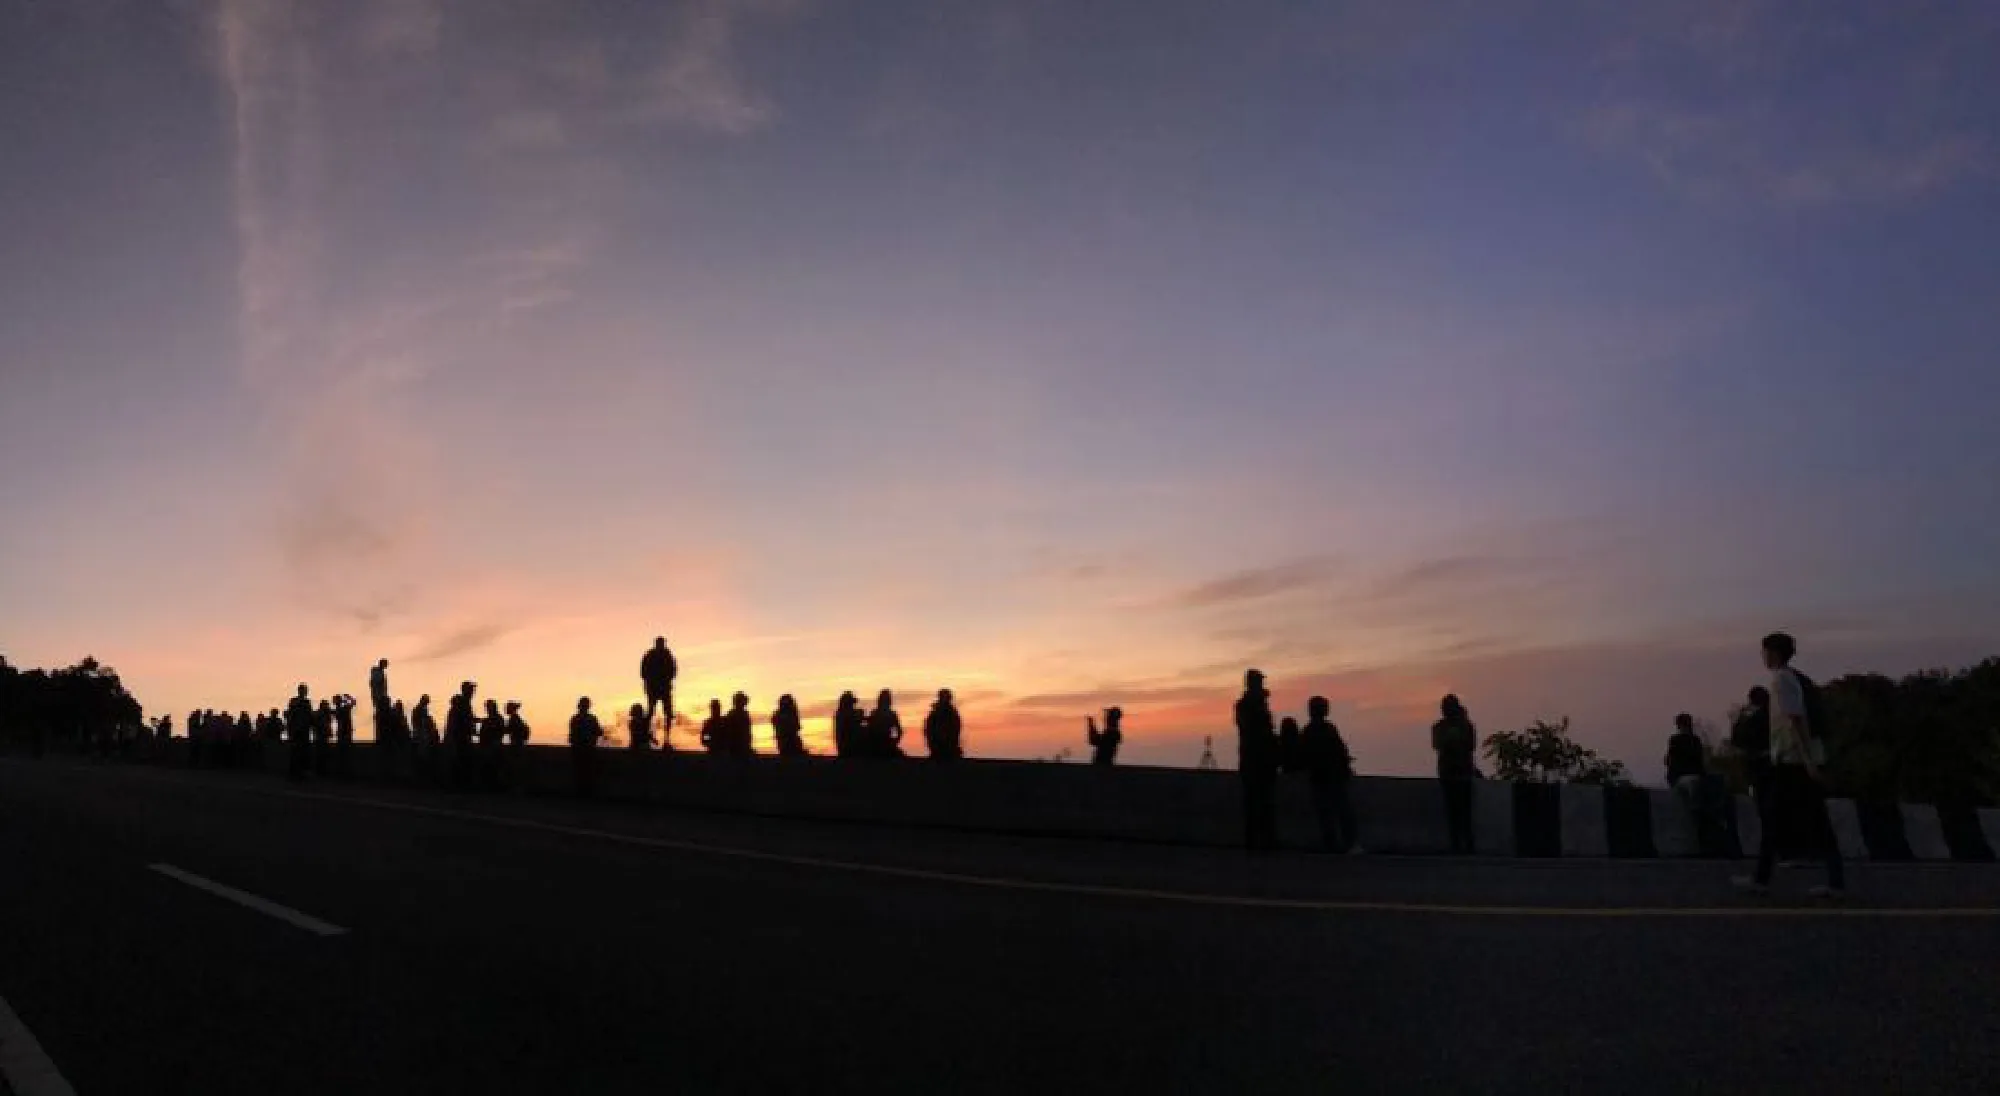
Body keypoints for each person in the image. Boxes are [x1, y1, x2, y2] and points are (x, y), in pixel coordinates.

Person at [1736, 633, 1844, 898]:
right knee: (1813, 821)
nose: (1762, 656)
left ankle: (1762, 880)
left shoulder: (1781, 680)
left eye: (1764, 651)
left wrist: (1808, 763)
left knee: (1777, 819)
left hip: (1792, 762)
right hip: (1796, 760)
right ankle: (1834, 882)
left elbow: (1796, 721)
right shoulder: (1796, 678)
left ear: (1773, 652)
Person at [1300, 696, 1359, 854]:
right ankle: (1346, 843)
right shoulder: (1326, 729)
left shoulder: (1309, 731)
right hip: (1331, 777)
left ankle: (1331, 844)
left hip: (1321, 777)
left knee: (1327, 814)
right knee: (1341, 811)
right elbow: (1338, 752)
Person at [1235, 670, 1279, 851]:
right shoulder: (1247, 705)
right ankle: (1258, 842)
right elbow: (1254, 731)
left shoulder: (1250, 704)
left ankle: (1261, 841)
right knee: (1257, 803)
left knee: (1260, 803)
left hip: (1258, 761)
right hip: (1256, 761)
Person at [1432, 695, 1479, 854]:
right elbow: (1438, 745)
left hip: (1460, 773)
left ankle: (1464, 844)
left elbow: (1470, 745)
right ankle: (1458, 844)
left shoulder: (1462, 726)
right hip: (1450, 773)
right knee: (1456, 811)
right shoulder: (1442, 727)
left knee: (1462, 811)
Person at [568, 697, 603, 796]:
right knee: (588, 773)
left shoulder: (575, 718)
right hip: (588, 749)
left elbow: (572, 736)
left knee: (579, 773)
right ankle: (587, 793)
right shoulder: (591, 719)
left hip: (578, 749)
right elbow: (599, 732)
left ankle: (580, 793)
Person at [445, 683, 477, 788]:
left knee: (461, 762)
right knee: (461, 762)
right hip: (460, 738)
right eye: (471, 690)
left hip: (460, 737)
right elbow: (463, 721)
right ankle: (459, 785)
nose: (473, 692)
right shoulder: (463, 704)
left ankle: (457, 785)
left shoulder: (462, 704)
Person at [641, 637, 678, 726]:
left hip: (664, 687)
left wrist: (667, 680)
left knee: (668, 712)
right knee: (651, 711)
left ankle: (667, 735)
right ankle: (647, 731)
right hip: (653, 688)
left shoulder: (667, 654)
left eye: (662, 643)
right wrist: (649, 682)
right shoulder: (650, 654)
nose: (661, 645)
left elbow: (673, 670)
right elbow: (643, 672)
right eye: (660, 643)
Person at [284, 685, 314, 781]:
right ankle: (296, 772)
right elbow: (290, 715)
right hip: (297, 731)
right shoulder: (296, 702)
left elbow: (309, 716)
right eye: (303, 690)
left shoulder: (306, 702)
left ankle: (300, 772)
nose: (304, 692)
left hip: (303, 731)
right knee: (296, 752)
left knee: (302, 753)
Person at [923, 689, 963, 761]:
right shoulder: (934, 713)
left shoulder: (952, 713)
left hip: (948, 749)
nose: (945, 699)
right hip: (937, 748)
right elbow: (928, 730)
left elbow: (955, 731)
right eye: (943, 697)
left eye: (947, 697)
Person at [478, 699, 507, 788]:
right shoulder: (491, 719)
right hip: (488, 747)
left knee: (493, 768)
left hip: (493, 747)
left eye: (488, 707)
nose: (487, 709)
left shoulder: (496, 719)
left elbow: (499, 732)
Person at [868, 690, 904, 759]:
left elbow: (899, 731)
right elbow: (899, 731)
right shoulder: (876, 713)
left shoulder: (876, 713)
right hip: (877, 745)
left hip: (882, 744)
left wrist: (893, 742)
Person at [332, 694, 357, 776]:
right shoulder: (343, 709)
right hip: (344, 733)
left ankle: (344, 772)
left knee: (343, 754)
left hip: (344, 733)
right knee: (345, 754)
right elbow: (353, 702)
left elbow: (353, 702)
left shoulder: (341, 709)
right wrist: (348, 698)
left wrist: (348, 698)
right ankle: (345, 772)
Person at [832, 692, 862, 759]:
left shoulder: (841, 714)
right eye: (851, 704)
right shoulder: (844, 714)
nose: (853, 706)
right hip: (847, 748)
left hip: (846, 747)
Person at [724, 692, 754, 757]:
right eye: (742, 702)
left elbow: (747, 731)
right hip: (735, 747)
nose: (744, 704)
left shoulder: (745, 714)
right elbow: (729, 732)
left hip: (743, 746)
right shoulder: (731, 715)